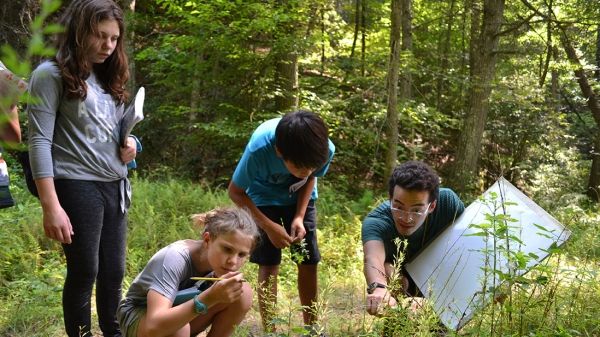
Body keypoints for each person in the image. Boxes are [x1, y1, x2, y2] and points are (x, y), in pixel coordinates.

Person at [27, 1, 137, 336]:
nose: (108, 45)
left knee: (114, 272)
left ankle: (113, 333)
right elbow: (39, 141)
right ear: (78, 32)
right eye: (100, 36)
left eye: (114, 38)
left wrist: (133, 145)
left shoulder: (107, 77)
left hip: (114, 184)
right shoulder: (49, 75)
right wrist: (52, 206)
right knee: (85, 270)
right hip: (76, 182)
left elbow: (115, 132)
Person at [228, 110, 335, 333]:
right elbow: (236, 192)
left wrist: (298, 216)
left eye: (310, 166)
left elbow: (311, 178)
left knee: (307, 260)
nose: (305, 172)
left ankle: (312, 328)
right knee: (268, 261)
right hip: (261, 199)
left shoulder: (324, 149)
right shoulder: (259, 149)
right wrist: (269, 226)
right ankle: (270, 330)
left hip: (300, 199)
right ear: (279, 152)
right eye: (299, 167)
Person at [117, 207, 260, 337]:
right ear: (207, 239)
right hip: (141, 315)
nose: (233, 262)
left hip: (180, 313)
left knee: (243, 292)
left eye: (241, 255)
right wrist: (209, 298)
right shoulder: (174, 258)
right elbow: (154, 325)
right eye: (227, 249)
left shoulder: (218, 262)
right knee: (178, 329)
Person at [361, 161, 465, 316]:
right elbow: (372, 259)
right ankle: (398, 317)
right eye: (399, 207)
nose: (406, 218)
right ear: (390, 199)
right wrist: (379, 288)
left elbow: (468, 242)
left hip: (440, 273)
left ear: (432, 206)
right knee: (391, 272)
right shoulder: (376, 222)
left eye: (416, 210)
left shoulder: (449, 205)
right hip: (401, 279)